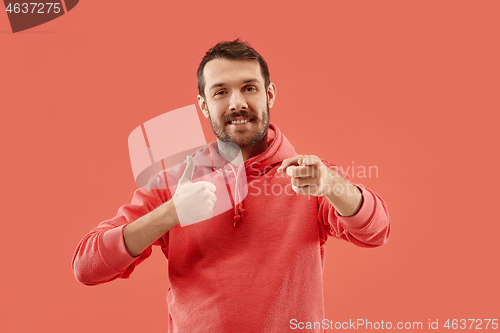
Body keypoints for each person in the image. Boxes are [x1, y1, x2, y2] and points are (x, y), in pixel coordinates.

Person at [72, 39, 390, 333]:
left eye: (249, 88)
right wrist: (172, 213)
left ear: (269, 94)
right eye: (221, 92)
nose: (237, 103)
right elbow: (87, 266)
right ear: (204, 105)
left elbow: (376, 231)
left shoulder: (310, 177)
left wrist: (334, 186)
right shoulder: (175, 184)